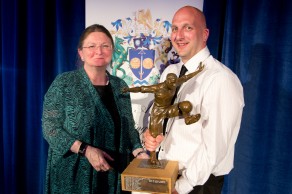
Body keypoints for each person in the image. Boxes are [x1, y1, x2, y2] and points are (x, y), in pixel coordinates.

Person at [143, 6, 244, 194]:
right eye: (174, 28)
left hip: (197, 184)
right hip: (165, 175)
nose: (178, 35)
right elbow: (161, 120)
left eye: (187, 28)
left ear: (204, 34)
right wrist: (150, 136)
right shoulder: (170, 72)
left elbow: (214, 148)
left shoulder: (220, 79)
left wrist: (181, 187)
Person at [42, 24, 148, 194]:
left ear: (112, 50)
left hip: (113, 174)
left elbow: (128, 128)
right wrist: (85, 149)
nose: (99, 51)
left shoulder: (120, 85)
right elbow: (50, 128)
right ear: (81, 53)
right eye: (91, 46)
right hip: (73, 176)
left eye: (105, 46)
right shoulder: (63, 83)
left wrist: (139, 150)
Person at [122, 63, 204, 165]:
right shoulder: (159, 87)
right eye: (171, 83)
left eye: (174, 82)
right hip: (157, 113)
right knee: (153, 136)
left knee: (186, 105)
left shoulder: (175, 83)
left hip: (168, 109)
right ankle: (152, 158)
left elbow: (187, 77)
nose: (173, 85)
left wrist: (199, 70)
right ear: (167, 81)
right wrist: (128, 90)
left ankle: (188, 118)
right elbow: (141, 89)